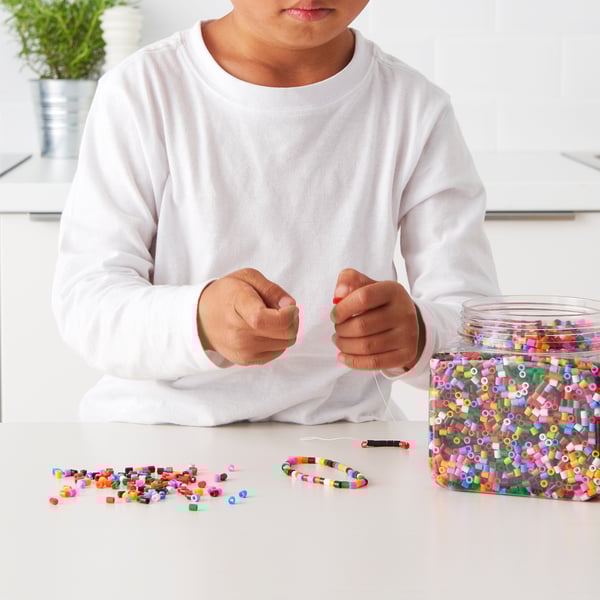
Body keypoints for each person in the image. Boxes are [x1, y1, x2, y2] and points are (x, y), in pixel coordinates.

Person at [51, 0, 500, 426]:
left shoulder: (416, 109)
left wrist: (419, 336)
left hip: (346, 440)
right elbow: (87, 300)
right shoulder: (141, 91)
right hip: (155, 432)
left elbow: (476, 325)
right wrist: (199, 319)